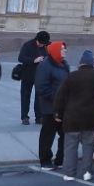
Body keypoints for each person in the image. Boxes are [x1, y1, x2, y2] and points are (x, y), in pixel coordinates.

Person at [53, 49, 94, 181]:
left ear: (80, 64)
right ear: (92, 63)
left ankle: (69, 173)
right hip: (90, 118)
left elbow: (60, 96)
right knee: (88, 146)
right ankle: (87, 172)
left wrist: (57, 112)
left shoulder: (71, 76)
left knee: (70, 147)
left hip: (72, 118)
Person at [35, 41, 70, 169]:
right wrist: (57, 100)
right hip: (49, 107)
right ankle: (45, 161)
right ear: (55, 51)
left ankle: (60, 160)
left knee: (65, 133)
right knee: (48, 135)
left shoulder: (64, 64)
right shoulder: (45, 66)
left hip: (63, 107)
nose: (65, 51)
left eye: (65, 49)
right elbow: (41, 87)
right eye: (62, 49)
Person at [17, 30, 50, 124]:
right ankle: (24, 117)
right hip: (27, 75)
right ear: (37, 40)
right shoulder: (28, 45)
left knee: (39, 97)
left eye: (44, 44)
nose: (43, 45)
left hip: (41, 75)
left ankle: (39, 117)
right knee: (25, 96)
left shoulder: (47, 45)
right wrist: (34, 60)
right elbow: (21, 58)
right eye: (41, 43)